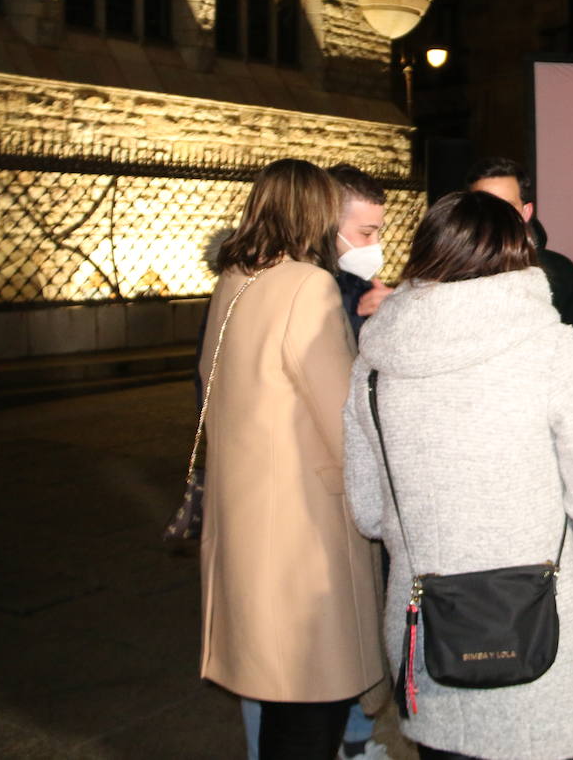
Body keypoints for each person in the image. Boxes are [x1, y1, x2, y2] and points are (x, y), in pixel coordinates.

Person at [343, 191, 573, 760]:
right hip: (542, 632)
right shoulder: (550, 346)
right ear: (520, 253)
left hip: (429, 633)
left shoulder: (375, 359)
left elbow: (369, 512)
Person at [198, 159, 385, 760]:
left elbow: (209, 381)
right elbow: (340, 415)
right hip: (302, 527)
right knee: (311, 697)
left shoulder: (236, 279)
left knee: (280, 689)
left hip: (246, 513)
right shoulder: (308, 284)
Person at [467, 156, 573, 353]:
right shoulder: (450, 271)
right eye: (484, 206)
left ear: (526, 212)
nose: (495, 216)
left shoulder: (559, 272)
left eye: (506, 206)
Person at [330, 163, 395, 339]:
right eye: (366, 233)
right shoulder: (301, 284)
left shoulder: (362, 288)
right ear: (327, 226)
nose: (375, 244)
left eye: (378, 233)